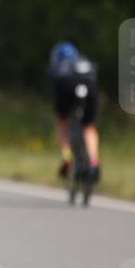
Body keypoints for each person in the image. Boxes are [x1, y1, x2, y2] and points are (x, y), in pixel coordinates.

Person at [47, 41, 100, 182]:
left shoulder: (58, 65)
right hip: (90, 86)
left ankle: (66, 157)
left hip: (66, 86)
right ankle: (93, 163)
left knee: (61, 121)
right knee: (88, 127)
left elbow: (54, 92)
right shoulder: (84, 62)